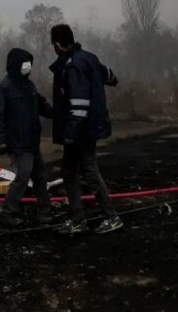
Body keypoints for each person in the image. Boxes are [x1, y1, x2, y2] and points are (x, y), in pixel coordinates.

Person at [48, 24, 123, 235]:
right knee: (69, 172)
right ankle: (78, 220)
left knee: (89, 172)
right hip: (88, 127)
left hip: (82, 130)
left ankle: (112, 217)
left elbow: (79, 104)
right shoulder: (89, 57)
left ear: (57, 44)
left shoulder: (73, 66)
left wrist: (70, 133)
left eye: (53, 44)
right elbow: (111, 77)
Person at [0, 48, 54, 227]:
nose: (28, 66)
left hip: (32, 141)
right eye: (24, 63)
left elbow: (42, 105)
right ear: (15, 64)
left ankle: (45, 212)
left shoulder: (29, 85)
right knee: (23, 176)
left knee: (40, 177)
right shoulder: (3, 88)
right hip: (17, 142)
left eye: (29, 62)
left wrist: (58, 112)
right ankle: (6, 213)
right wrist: (0, 140)